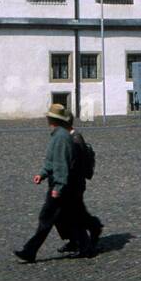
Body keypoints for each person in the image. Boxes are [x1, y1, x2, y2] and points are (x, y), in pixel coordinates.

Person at [14, 103, 89, 263]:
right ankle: (84, 246)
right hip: (60, 184)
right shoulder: (58, 135)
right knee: (71, 217)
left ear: (53, 119)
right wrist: (42, 174)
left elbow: (61, 164)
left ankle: (30, 251)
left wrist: (58, 187)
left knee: (46, 218)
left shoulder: (61, 137)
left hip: (59, 185)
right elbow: (52, 161)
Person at [56, 113, 103, 257]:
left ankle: (84, 240)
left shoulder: (75, 138)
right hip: (72, 182)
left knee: (71, 213)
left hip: (74, 183)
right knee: (72, 213)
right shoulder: (67, 137)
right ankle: (86, 233)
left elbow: (74, 164)